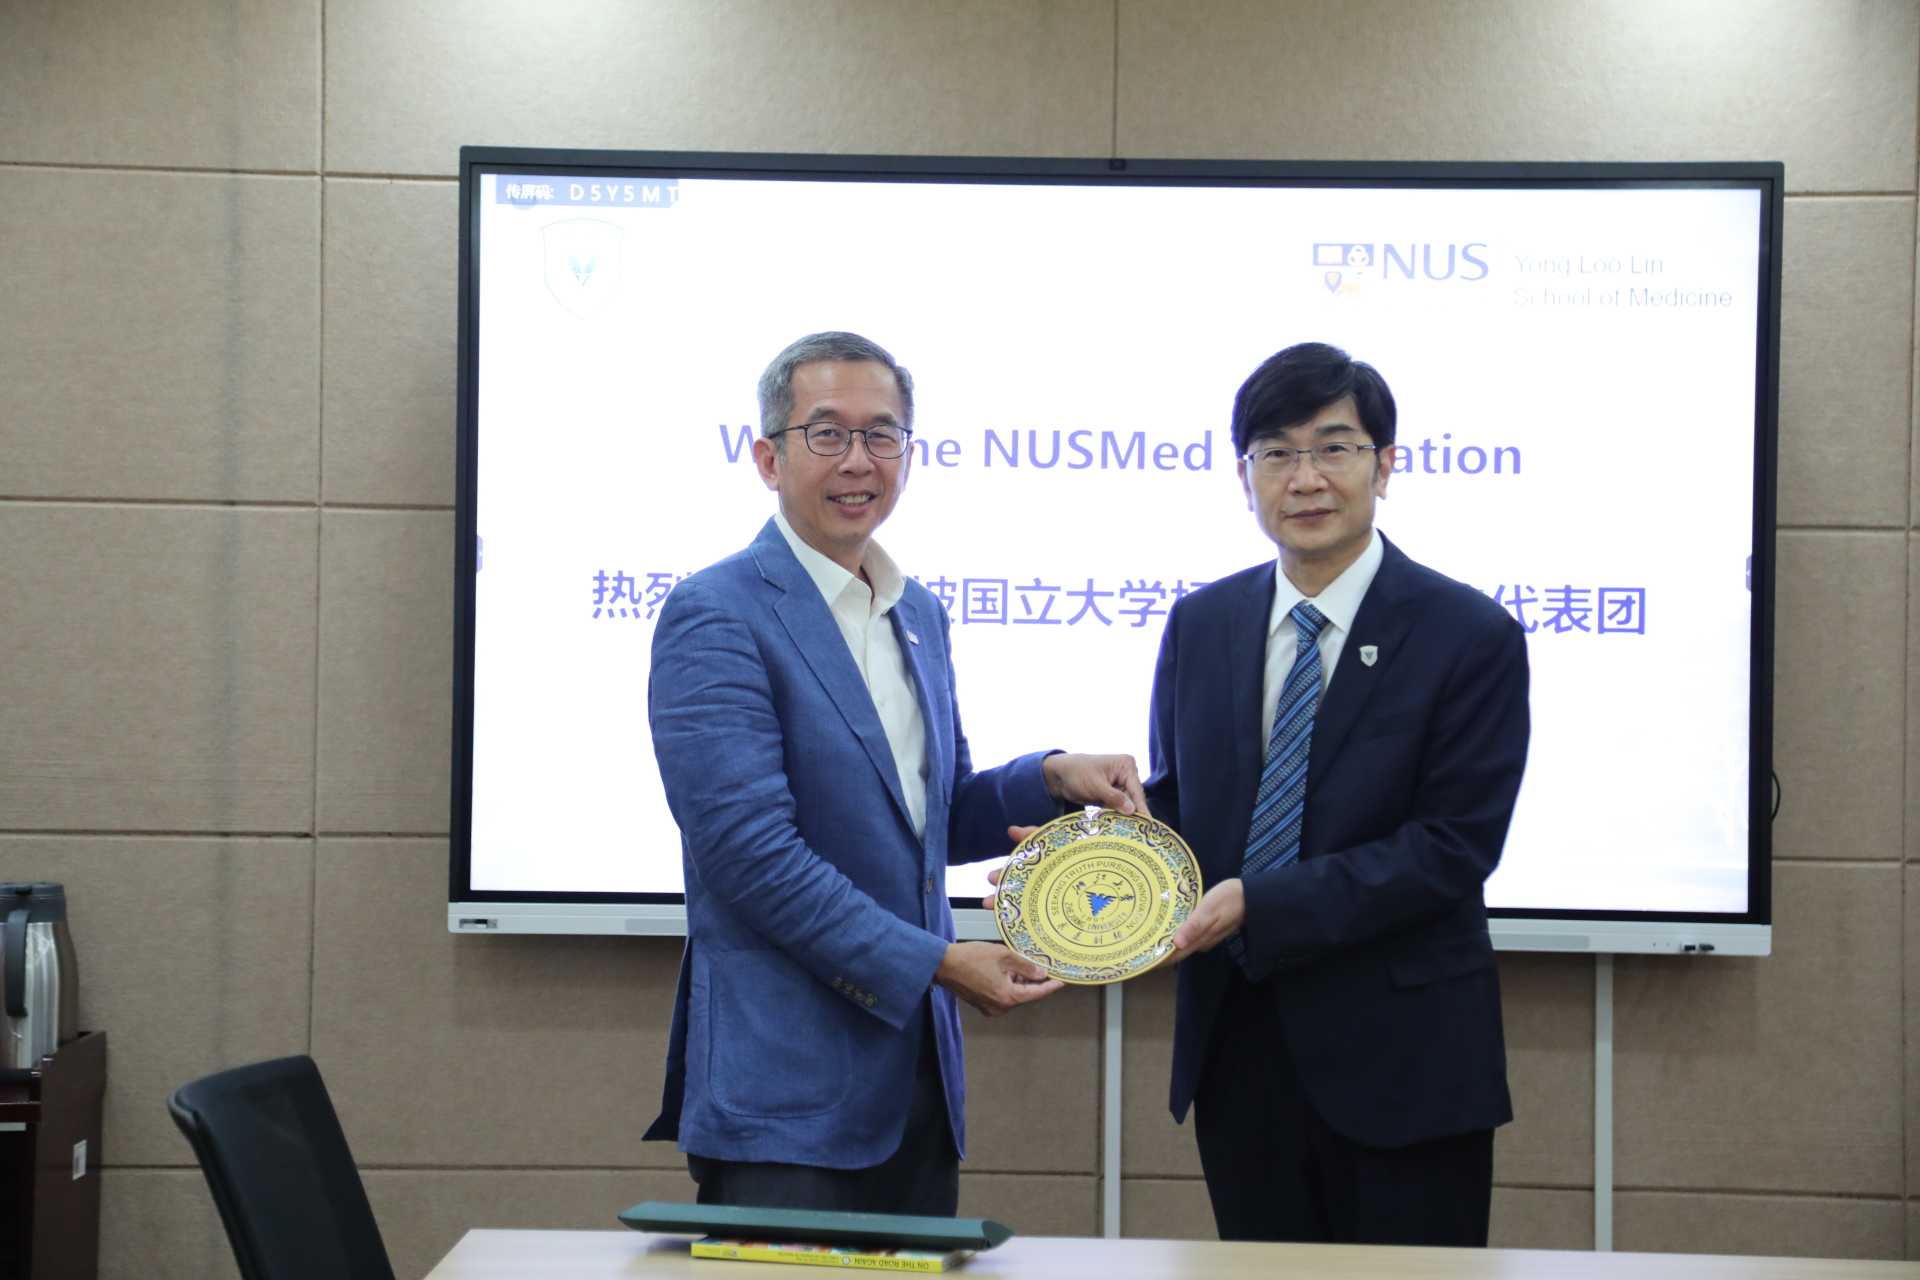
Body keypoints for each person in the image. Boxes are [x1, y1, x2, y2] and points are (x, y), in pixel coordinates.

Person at [644, 331, 1146, 1215]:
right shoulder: (716, 614)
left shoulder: (918, 613)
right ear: (768, 458)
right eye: (827, 433)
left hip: (916, 1090)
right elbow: (750, 857)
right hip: (786, 1100)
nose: (858, 460)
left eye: (882, 435)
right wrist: (939, 963)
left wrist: (1051, 778)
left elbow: (929, 818)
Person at [1149, 341, 1530, 1246]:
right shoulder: (1202, 623)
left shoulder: (1468, 633)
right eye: (1276, 453)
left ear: (1384, 466)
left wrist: (1261, 902)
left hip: (1407, 1064)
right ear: (1245, 476)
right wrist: (1090, 863)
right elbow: (1179, 808)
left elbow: (1453, 846)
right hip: (1239, 1052)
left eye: (1334, 447)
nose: (1306, 478)